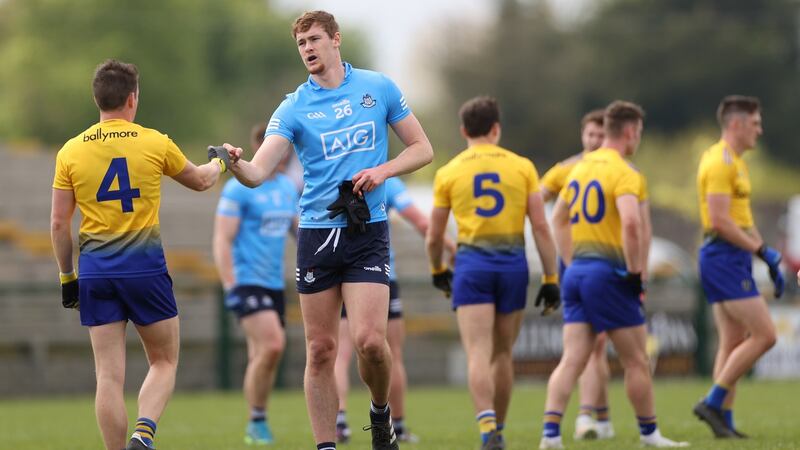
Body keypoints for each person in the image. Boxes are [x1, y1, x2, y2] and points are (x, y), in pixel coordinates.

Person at [219, 11, 433, 450]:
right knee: (320, 351)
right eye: (301, 44)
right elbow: (259, 171)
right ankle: (326, 445)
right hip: (317, 235)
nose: (308, 49)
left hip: (367, 231)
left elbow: (423, 148)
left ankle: (380, 415)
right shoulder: (293, 105)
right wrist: (235, 162)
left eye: (314, 39)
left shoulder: (378, 88)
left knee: (372, 342)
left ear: (335, 40)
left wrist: (382, 171)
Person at [50, 59, 227, 450]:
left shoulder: (70, 152)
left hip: (95, 272)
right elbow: (200, 181)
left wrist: (67, 278)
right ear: (132, 99)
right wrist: (221, 160)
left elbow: (59, 224)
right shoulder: (153, 141)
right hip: (145, 268)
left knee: (108, 377)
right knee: (164, 361)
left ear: (97, 98)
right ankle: (143, 434)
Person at [541, 101, 687, 449]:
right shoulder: (626, 172)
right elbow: (633, 223)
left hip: (576, 274)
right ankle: (650, 433)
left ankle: (550, 435)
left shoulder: (577, 168)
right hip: (608, 273)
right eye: (639, 134)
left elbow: (557, 218)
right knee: (636, 359)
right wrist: (636, 273)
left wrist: (570, 261)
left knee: (573, 358)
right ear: (630, 132)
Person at [427, 96, 560, 450]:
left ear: (463, 131)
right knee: (502, 353)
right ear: (496, 128)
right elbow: (541, 228)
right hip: (513, 266)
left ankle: (488, 432)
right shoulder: (522, 167)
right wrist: (550, 279)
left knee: (477, 353)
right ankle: (498, 427)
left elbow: (435, 235)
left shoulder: (449, 171)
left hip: (472, 267)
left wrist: (438, 269)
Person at [334, 177, 456, 444]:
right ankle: (397, 425)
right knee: (393, 354)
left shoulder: (334, 174)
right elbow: (422, 222)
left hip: (341, 274)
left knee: (340, 354)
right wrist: (452, 248)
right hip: (379, 276)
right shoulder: (388, 182)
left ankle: (339, 423)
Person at [693, 95, 781, 438]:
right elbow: (719, 221)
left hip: (733, 256)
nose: (759, 130)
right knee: (766, 335)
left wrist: (764, 255)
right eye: (755, 123)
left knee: (732, 341)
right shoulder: (719, 162)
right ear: (736, 124)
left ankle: (722, 423)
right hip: (722, 256)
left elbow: (742, 220)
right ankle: (713, 402)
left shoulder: (738, 162)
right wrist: (763, 250)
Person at [212, 124, 299, 445]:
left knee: (262, 352)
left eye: (286, 148)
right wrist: (230, 286)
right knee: (273, 345)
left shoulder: (288, 188)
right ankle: (257, 419)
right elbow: (222, 240)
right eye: (277, 148)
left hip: (274, 284)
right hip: (247, 282)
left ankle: (255, 422)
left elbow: (298, 230)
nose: (284, 154)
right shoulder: (238, 188)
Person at [540, 109, 615, 440]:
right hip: (575, 264)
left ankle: (601, 414)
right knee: (590, 344)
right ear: (583, 135)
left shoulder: (618, 170)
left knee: (597, 344)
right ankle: (588, 416)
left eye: (601, 135)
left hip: (608, 263)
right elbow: (535, 200)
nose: (596, 141)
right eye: (591, 135)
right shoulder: (566, 170)